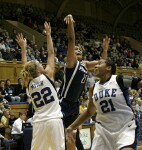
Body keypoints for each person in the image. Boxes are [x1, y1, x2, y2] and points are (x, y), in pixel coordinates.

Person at [58, 14, 109, 150]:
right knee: (61, 137)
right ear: (70, 53)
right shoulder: (71, 63)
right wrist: (70, 24)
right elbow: (70, 40)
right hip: (62, 103)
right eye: (76, 49)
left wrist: (104, 50)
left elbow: (102, 63)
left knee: (75, 135)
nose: (78, 50)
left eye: (80, 49)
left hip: (74, 104)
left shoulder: (85, 64)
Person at [66, 58, 142, 150]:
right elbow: (89, 112)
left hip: (125, 127)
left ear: (108, 68)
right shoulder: (93, 88)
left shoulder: (119, 79)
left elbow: (139, 83)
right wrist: (71, 127)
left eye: (100, 64)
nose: (96, 66)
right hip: (103, 131)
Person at [16, 22, 65, 150]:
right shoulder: (48, 75)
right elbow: (51, 53)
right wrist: (48, 35)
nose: (41, 63)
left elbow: (24, 66)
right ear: (38, 70)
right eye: (39, 64)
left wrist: (23, 48)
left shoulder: (28, 82)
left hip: (39, 122)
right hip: (54, 120)